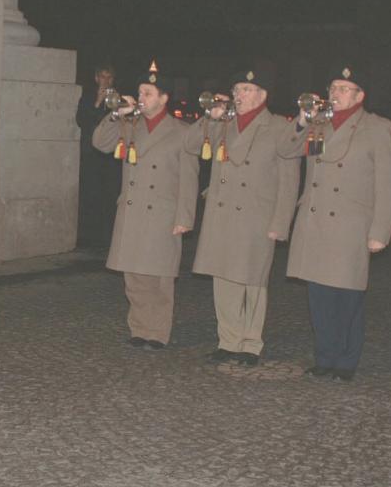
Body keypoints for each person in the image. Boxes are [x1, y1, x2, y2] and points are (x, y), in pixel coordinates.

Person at [278, 64, 391, 382]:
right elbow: (284, 150)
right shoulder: (318, 122)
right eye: (333, 87)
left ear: (360, 95)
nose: (335, 93)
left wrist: (380, 231)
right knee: (319, 297)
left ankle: (345, 362)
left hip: (350, 225)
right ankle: (325, 357)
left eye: (344, 88)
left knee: (346, 297)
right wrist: (302, 120)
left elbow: (388, 184)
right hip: (315, 221)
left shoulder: (377, 127)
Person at [185, 68, 299, 366]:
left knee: (253, 281)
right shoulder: (224, 121)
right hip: (222, 212)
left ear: (263, 95)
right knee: (223, 278)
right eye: (236, 89)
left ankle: (251, 343)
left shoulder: (276, 127)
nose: (238, 95)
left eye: (246, 89)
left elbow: (289, 177)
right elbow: (190, 145)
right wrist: (211, 115)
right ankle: (228, 340)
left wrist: (280, 222)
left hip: (257, 214)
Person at [92, 60, 199, 350]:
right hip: (133, 207)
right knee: (134, 275)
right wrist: (116, 114)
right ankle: (139, 328)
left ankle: (157, 332)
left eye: (149, 93)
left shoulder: (181, 130)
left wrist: (185, 216)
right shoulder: (130, 123)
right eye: (140, 91)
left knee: (159, 277)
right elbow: (100, 143)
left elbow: (189, 178)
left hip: (163, 211)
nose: (142, 97)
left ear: (164, 98)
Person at [76, 64, 122, 247]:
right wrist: (97, 102)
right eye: (102, 77)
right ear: (96, 78)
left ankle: (108, 238)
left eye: (109, 77)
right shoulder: (87, 97)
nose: (106, 81)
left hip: (111, 155)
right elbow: (82, 121)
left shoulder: (117, 98)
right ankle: (88, 238)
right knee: (91, 194)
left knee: (110, 195)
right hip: (91, 153)